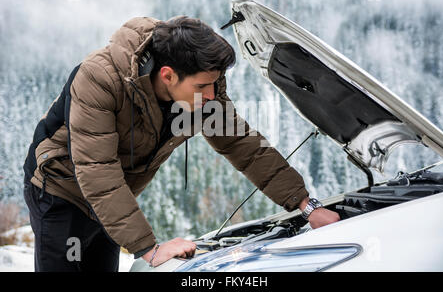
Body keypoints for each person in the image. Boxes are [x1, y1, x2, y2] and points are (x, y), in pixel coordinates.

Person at [23, 16, 340, 272]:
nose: (212, 95)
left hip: (114, 196)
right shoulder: (99, 79)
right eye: (203, 86)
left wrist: (305, 204)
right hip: (60, 190)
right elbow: (98, 172)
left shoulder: (203, 88)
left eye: (215, 84)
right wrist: (150, 249)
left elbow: (244, 146)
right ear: (168, 75)